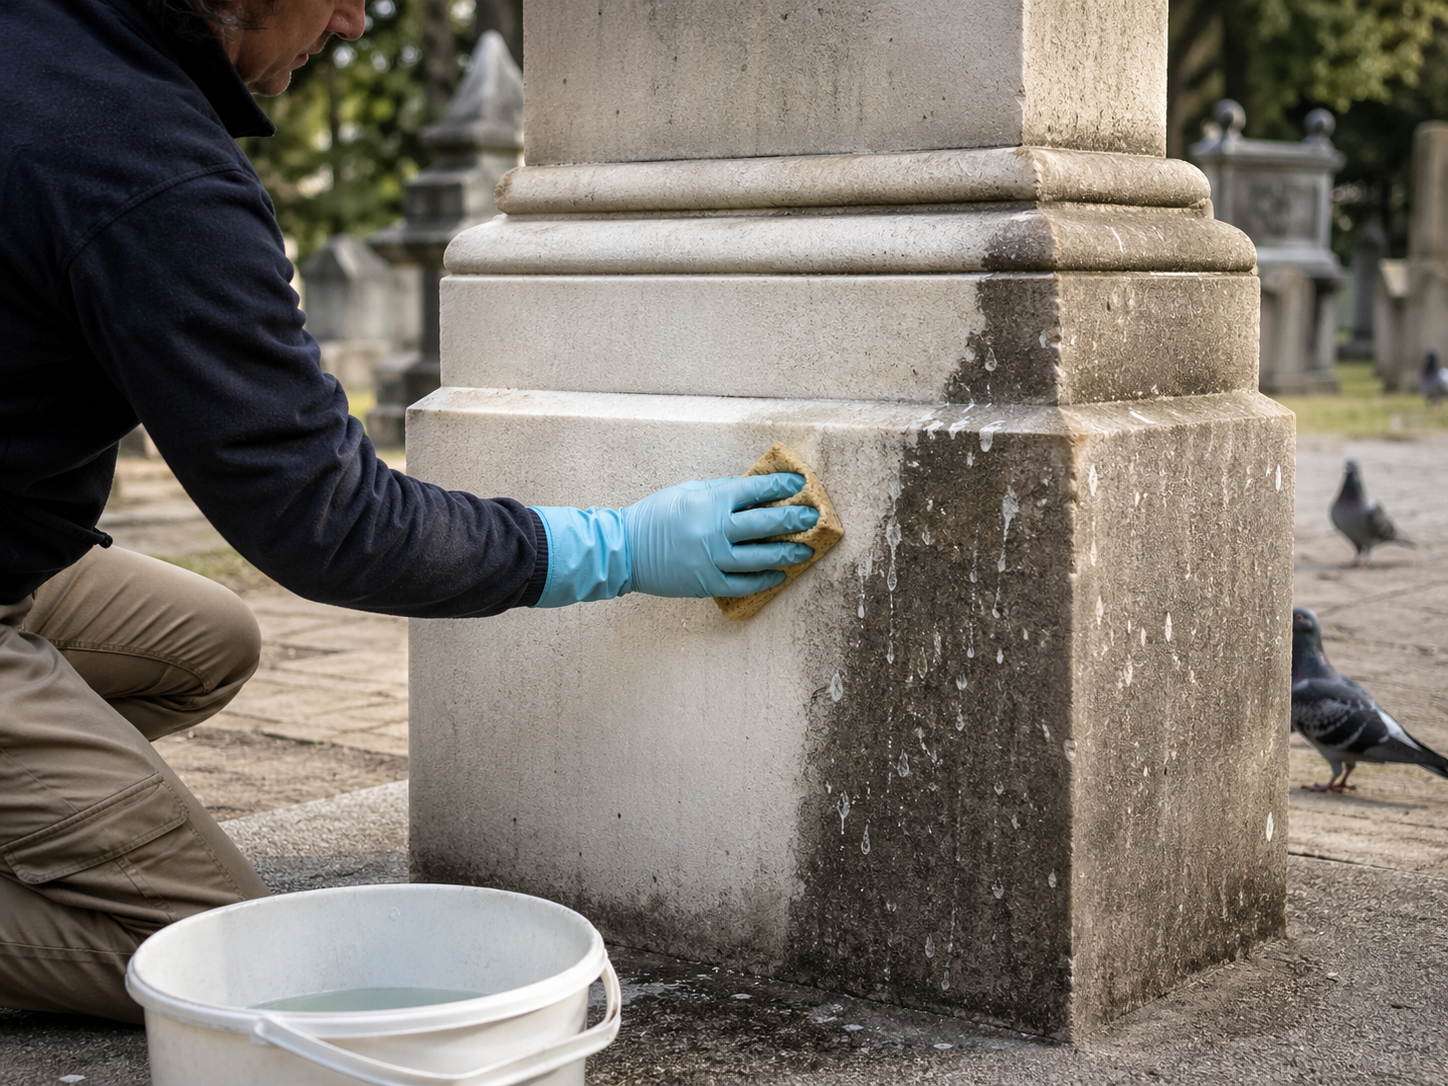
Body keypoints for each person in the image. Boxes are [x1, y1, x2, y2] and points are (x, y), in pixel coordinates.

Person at [0, 0, 818, 1022]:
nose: (351, 22)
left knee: (205, 642)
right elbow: (325, 515)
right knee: (201, 961)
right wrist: (612, 547)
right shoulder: (144, 168)